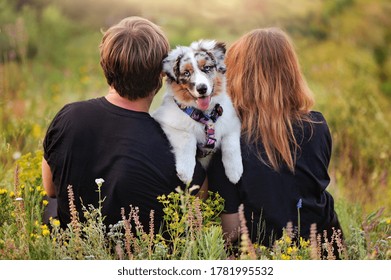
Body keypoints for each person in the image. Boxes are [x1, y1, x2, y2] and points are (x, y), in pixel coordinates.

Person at [42, 16, 206, 232]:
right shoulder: (176, 144)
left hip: (73, 250)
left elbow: (51, 189)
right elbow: (199, 205)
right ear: (162, 74)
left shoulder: (68, 116)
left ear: (105, 65)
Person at [208, 28, 343, 256]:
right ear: (291, 73)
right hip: (324, 250)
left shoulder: (228, 143)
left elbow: (230, 234)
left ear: (238, 77)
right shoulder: (317, 126)